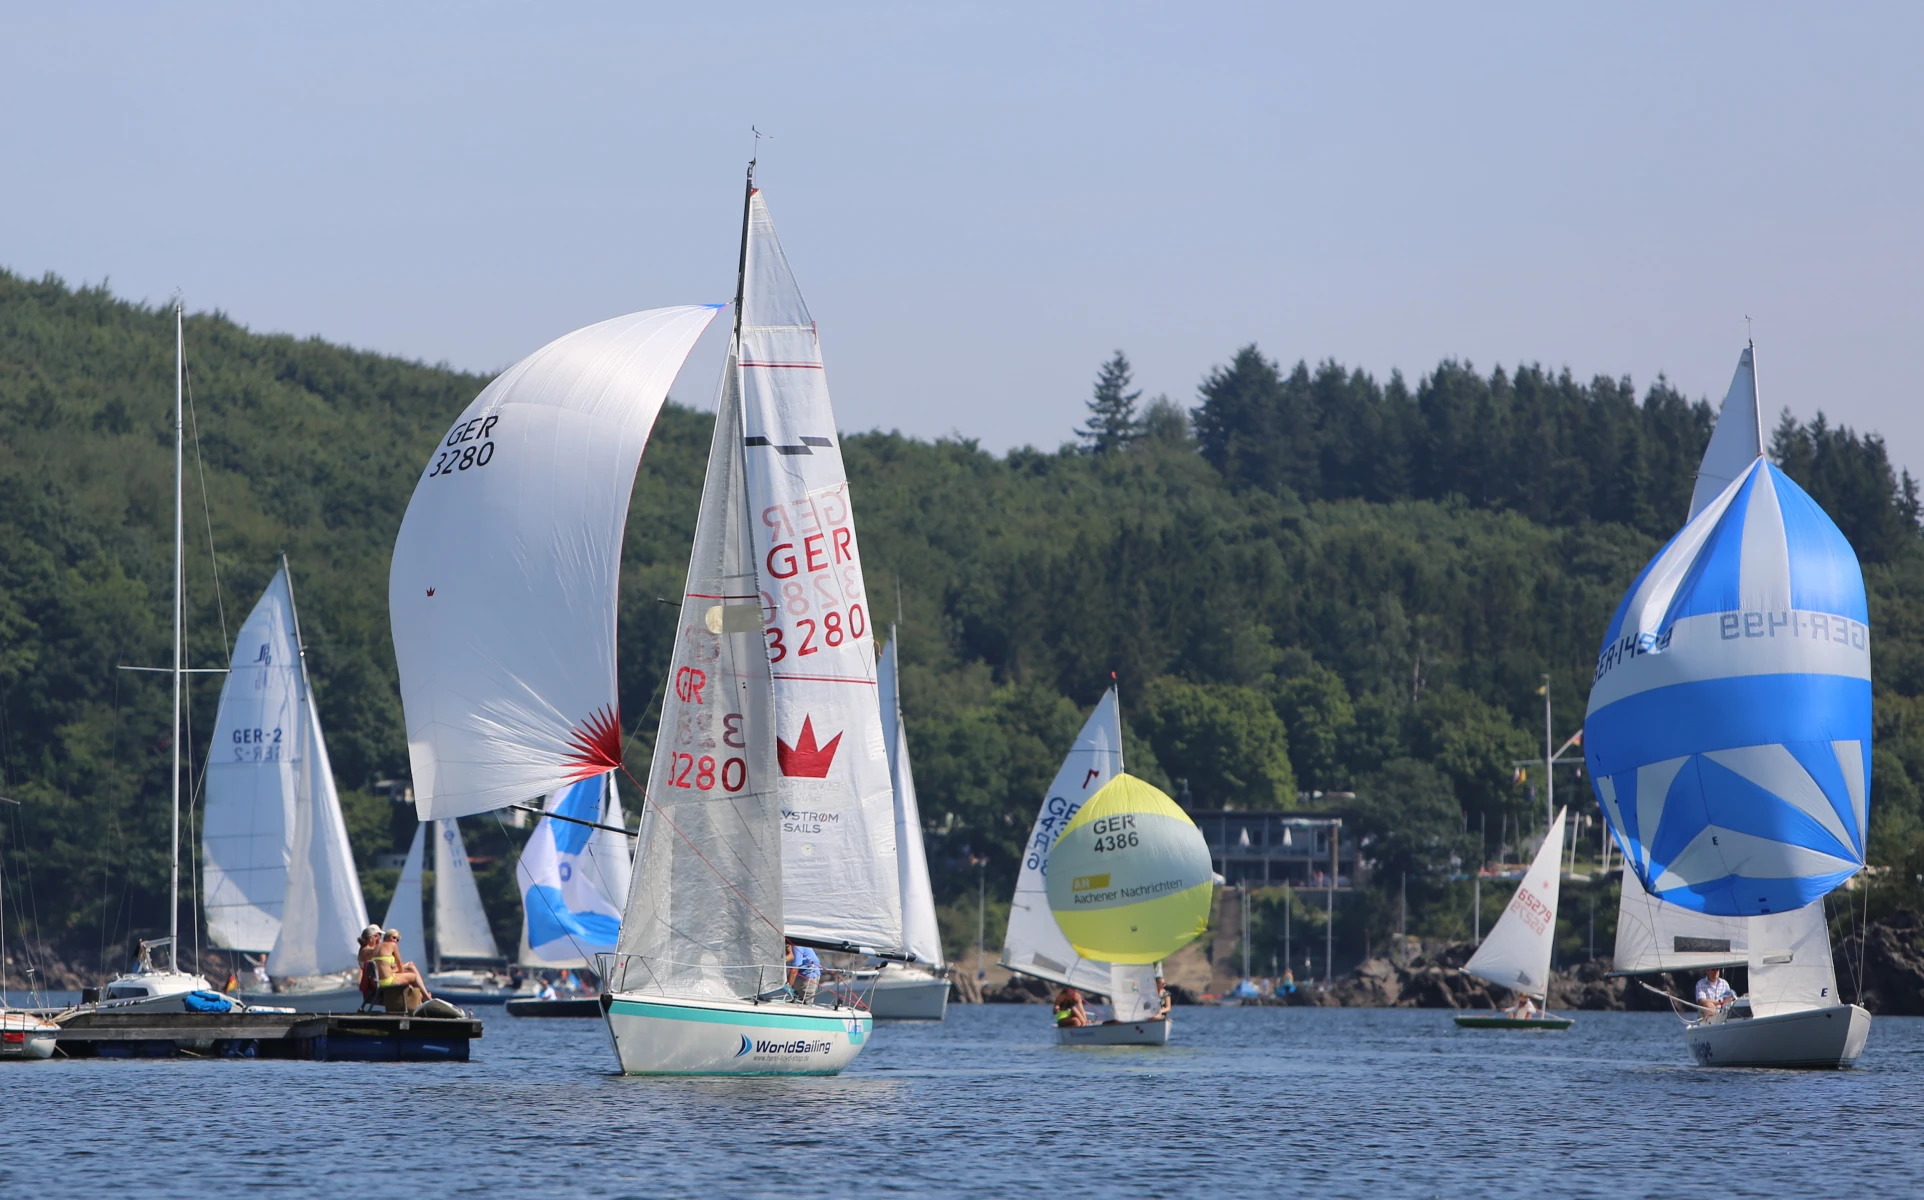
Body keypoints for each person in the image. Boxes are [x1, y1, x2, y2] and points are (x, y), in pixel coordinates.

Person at [374, 929, 434, 1011]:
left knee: (408, 971)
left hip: (379, 981)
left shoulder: (377, 946)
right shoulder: (393, 945)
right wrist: (405, 977)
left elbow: (384, 966)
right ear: (387, 937)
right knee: (414, 976)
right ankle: (425, 997)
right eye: (394, 937)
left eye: (397, 940)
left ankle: (422, 997)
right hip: (388, 981)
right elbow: (399, 964)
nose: (395, 941)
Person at [786, 939, 821, 1005]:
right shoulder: (787, 944)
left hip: (807, 976)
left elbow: (794, 969)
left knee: (804, 1004)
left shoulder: (797, 945)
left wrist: (786, 989)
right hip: (798, 976)